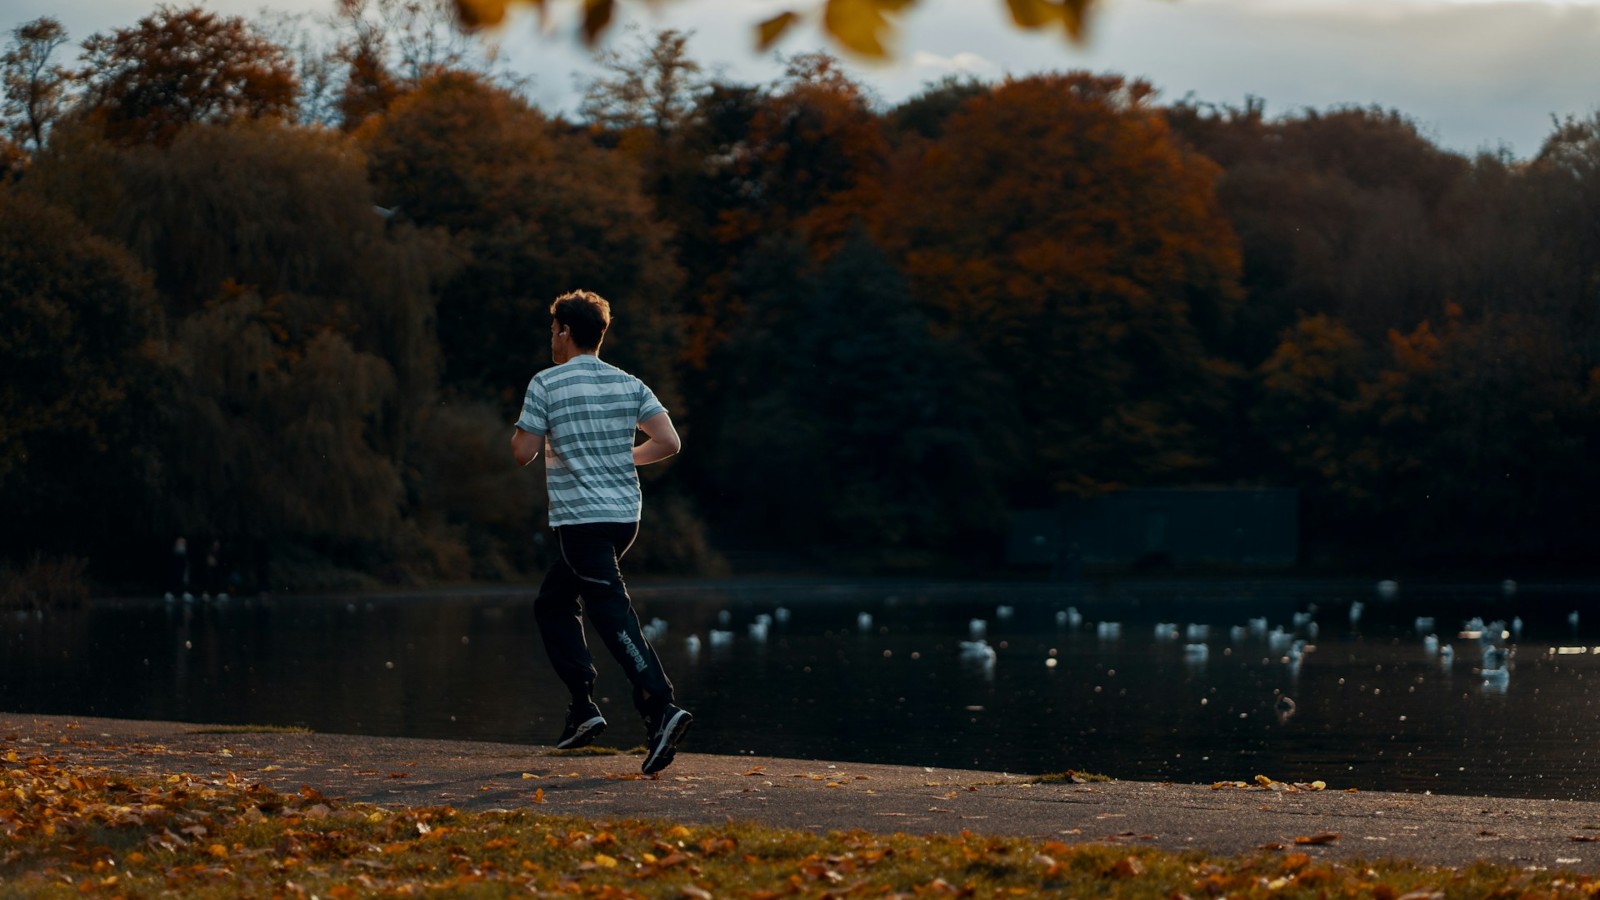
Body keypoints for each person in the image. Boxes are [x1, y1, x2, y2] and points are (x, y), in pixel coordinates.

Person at [510, 289, 692, 776]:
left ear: (566, 331)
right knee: (553, 602)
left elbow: (522, 451)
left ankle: (659, 707)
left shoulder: (547, 383)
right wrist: (622, 457)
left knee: (609, 610)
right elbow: (668, 442)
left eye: (553, 330)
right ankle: (583, 709)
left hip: (581, 520)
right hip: (622, 518)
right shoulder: (629, 383)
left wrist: (531, 431)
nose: (552, 338)